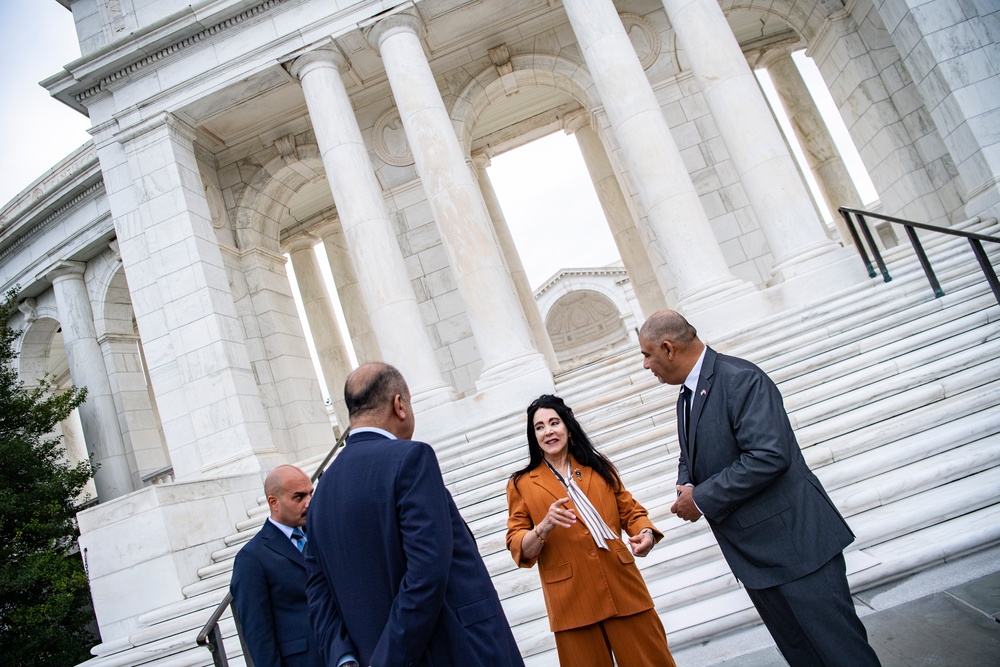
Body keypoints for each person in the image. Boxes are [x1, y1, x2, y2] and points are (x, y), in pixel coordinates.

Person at [639, 309, 881, 667]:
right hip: (757, 559)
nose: (646, 365)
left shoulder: (740, 379)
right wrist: (686, 479)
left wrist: (701, 499)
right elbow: (691, 452)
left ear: (668, 348)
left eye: (647, 355)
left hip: (798, 549)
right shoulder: (686, 396)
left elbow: (768, 456)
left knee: (841, 654)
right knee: (806, 657)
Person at [305, 362, 524, 667]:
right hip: (455, 651)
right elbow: (427, 572)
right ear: (399, 405)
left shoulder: (321, 491)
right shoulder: (411, 458)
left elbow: (318, 594)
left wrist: (344, 659)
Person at [505, 394, 676, 667]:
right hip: (570, 602)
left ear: (568, 428)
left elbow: (631, 511)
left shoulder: (598, 468)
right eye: (539, 427)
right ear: (533, 436)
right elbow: (518, 545)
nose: (548, 431)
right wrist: (544, 526)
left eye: (554, 422)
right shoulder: (522, 484)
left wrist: (645, 534)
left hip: (623, 586)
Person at [230, 464, 324, 667]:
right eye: (299, 497)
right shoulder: (251, 558)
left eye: (311, 494)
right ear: (274, 502)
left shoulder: (319, 535)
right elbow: (258, 635)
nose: (309, 503)